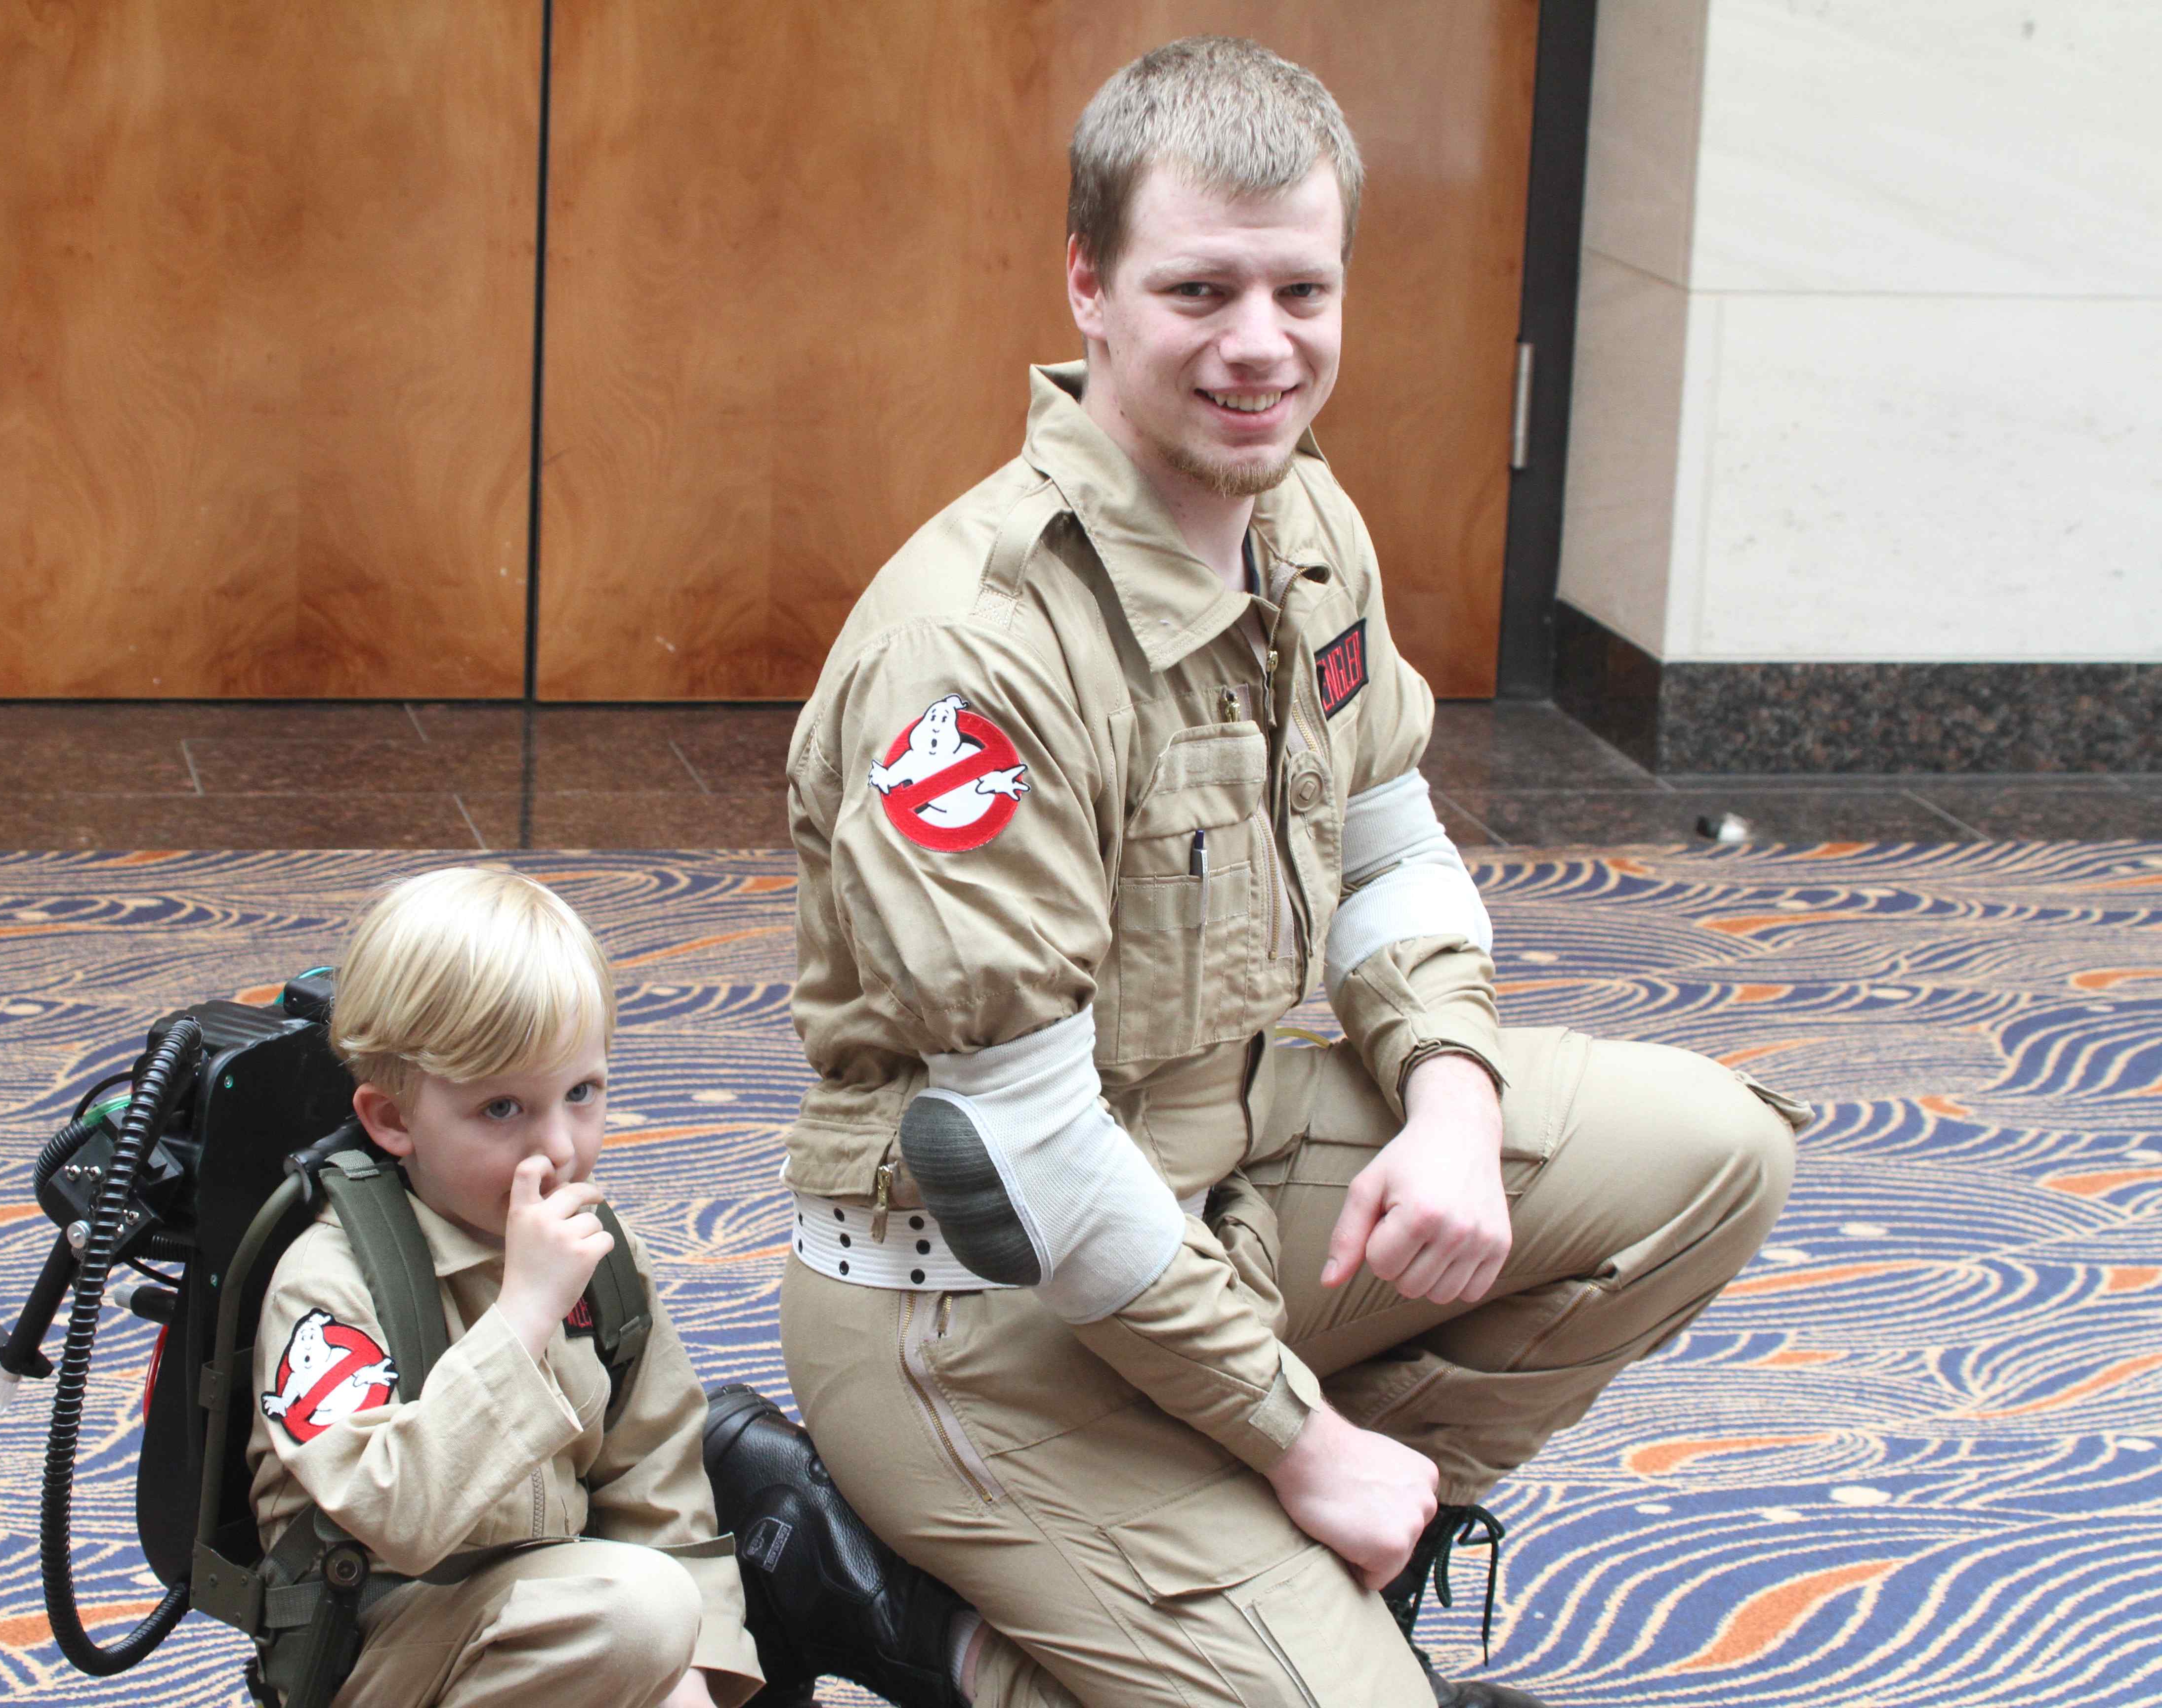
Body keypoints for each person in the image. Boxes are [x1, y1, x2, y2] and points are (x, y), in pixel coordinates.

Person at [714, 36, 1809, 1708]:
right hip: (980, 1311)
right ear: (1087, 287)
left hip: (1218, 1174)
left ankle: (1285, 1566)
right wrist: (1298, 1436)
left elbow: (1390, 840)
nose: (1260, 345)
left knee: (1710, 1155)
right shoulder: (975, 660)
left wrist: (1452, 1096)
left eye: (1303, 290)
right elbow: (1025, 1150)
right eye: (1199, 290)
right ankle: (901, 1612)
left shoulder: (1305, 527)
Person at [248, 867, 763, 1708]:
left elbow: (655, 1479)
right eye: (502, 1109)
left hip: (555, 1622)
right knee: (639, 1611)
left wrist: (695, 1676)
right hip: (380, 1650)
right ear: (394, 1119)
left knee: (694, 1592)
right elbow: (397, 1517)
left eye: (581, 1093)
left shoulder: (598, 1254)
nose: (559, 1146)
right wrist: (523, 1314)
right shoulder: (328, 1283)